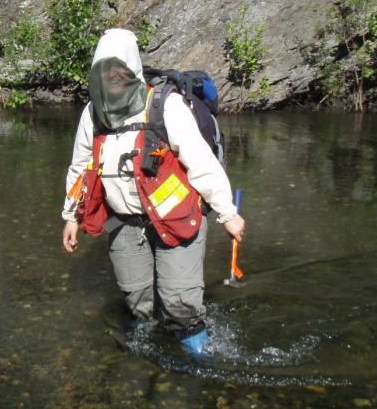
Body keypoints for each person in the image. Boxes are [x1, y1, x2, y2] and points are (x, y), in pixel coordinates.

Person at [61, 28, 246, 357]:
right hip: (125, 221)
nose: (110, 81)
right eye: (104, 74)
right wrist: (72, 216)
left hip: (176, 214)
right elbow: (80, 168)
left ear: (131, 70)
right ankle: (148, 348)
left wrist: (228, 214)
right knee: (137, 298)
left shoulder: (165, 106)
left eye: (117, 73)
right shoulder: (93, 114)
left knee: (179, 302)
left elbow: (202, 163)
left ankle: (197, 354)